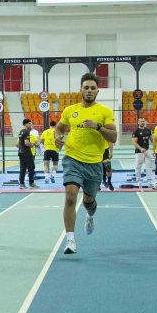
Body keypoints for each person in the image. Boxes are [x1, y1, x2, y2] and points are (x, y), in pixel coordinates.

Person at [53, 72, 117, 255]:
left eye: (92, 88)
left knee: (89, 200)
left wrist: (98, 127)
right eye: (86, 87)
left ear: (97, 91)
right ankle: (70, 240)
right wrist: (58, 138)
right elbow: (59, 128)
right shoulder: (70, 110)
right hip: (72, 159)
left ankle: (90, 216)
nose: (89, 91)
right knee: (71, 196)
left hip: (94, 163)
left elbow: (114, 136)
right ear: (80, 89)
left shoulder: (105, 112)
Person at [131, 117, 155, 188]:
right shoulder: (136, 131)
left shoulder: (148, 130)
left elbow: (152, 140)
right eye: (141, 121)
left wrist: (154, 150)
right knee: (138, 166)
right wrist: (140, 148)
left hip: (147, 150)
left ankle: (149, 180)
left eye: (143, 121)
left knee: (149, 166)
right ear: (138, 122)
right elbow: (134, 142)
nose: (142, 122)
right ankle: (138, 180)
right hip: (139, 151)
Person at [17, 118, 38, 189]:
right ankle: (31, 183)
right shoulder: (26, 132)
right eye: (29, 124)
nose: (31, 125)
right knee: (31, 168)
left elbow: (18, 144)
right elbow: (26, 143)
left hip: (21, 152)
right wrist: (32, 145)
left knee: (22, 168)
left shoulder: (21, 132)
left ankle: (21, 184)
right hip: (26, 153)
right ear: (25, 124)